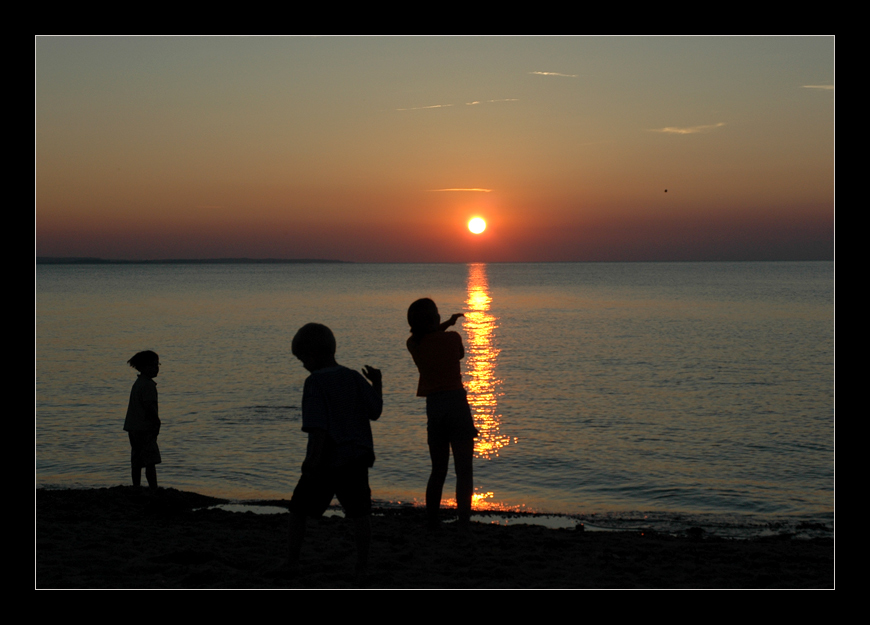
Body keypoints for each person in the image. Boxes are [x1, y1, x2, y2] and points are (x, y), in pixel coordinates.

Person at [287, 323, 382, 578]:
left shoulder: (315, 382)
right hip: (357, 459)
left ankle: (292, 561)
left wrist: (311, 461)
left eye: (303, 359)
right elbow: (375, 411)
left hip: (327, 460)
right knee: (360, 514)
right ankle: (362, 565)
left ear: (313, 354)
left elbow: (318, 427)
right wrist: (378, 384)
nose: (304, 365)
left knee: (298, 510)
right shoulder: (353, 376)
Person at [406, 298, 477, 528]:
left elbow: (427, 335)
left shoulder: (413, 344)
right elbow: (460, 355)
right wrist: (448, 326)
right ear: (435, 319)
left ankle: (432, 520)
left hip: (434, 408)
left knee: (438, 470)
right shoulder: (453, 338)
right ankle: (464, 520)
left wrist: (445, 323)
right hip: (456, 404)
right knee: (464, 470)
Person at [124, 350, 161, 489]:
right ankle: (153, 488)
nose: (156, 368)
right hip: (144, 428)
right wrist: (156, 423)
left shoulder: (139, 383)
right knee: (150, 460)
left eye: (157, 365)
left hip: (133, 426)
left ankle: (136, 487)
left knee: (137, 460)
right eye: (153, 365)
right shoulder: (148, 385)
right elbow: (149, 407)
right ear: (144, 367)